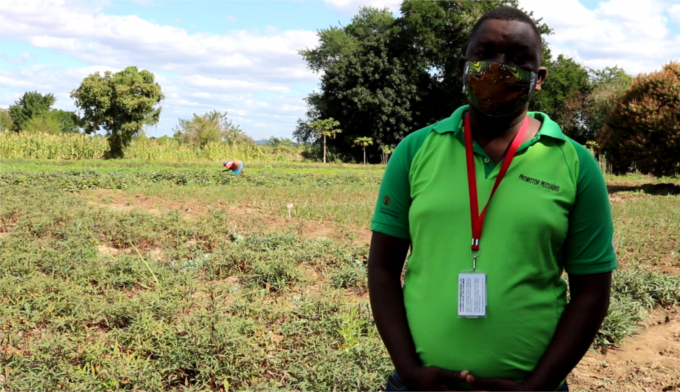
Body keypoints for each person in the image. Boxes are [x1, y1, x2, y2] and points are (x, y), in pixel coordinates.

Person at [368, 6, 616, 392]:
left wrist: (537, 387)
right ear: (464, 65)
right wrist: (411, 372)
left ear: (540, 78)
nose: (500, 67)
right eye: (485, 53)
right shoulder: (414, 151)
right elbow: (383, 269)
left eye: (518, 58)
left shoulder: (576, 164)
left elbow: (592, 291)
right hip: (419, 385)